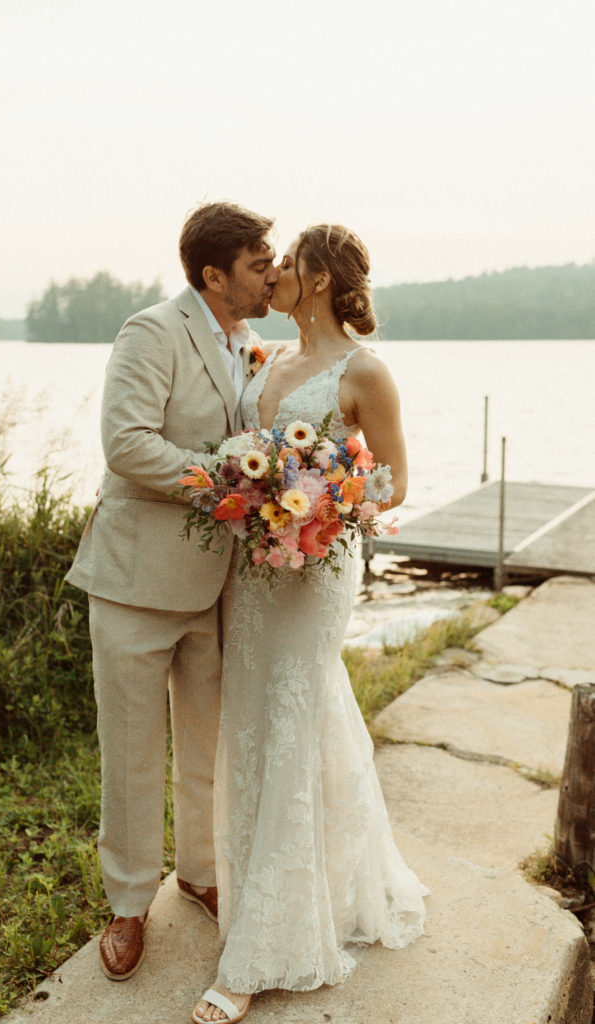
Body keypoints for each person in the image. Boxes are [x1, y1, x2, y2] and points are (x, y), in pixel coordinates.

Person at [192, 225, 428, 1024]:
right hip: (256, 571)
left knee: (292, 720)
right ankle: (289, 885)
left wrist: (323, 496)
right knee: (257, 723)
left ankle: (261, 952)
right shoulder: (269, 358)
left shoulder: (364, 371)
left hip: (314, 567)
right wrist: (257, 494)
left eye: (289, 262)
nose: (277, 272)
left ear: (322, 279)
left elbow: (390, 483)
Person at [65, 201, 279, 980]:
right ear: (213, 274)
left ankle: (199, 872)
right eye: (260, 263)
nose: (273, 273)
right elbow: (125, 444)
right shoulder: (150, 331)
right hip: (133, 581)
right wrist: (227, 484)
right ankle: (127, 905)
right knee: (131, 751)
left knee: (206, 745)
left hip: (220, 586)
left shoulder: (253, 344)